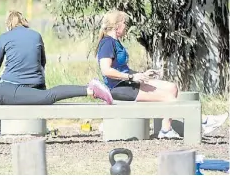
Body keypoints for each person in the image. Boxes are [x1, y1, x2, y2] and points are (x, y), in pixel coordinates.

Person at [95, 10, 229, 138]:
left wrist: (142, 74)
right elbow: (106, 71)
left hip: (128, 81)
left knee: (172, 88)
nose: (126, 27)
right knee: (169, 98)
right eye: (125, 23)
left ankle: (166, 129)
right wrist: (132, 77)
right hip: (119, 88)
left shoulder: (116, 42)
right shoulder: (107, 43)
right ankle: (204, 120)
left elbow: (122, 68)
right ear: (117, 25)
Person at [0, 54, 114, 117]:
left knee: (47, 97)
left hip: (3, 94)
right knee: (45, 97)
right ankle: (89, 89)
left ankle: (90, 89)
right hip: (1, 92)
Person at [0, 10, 47, 90]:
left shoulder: (4, 37)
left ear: (8, 23)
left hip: (12, 85)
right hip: (37, 85)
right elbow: (43, 62)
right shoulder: (37, 35)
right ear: (23, 21)